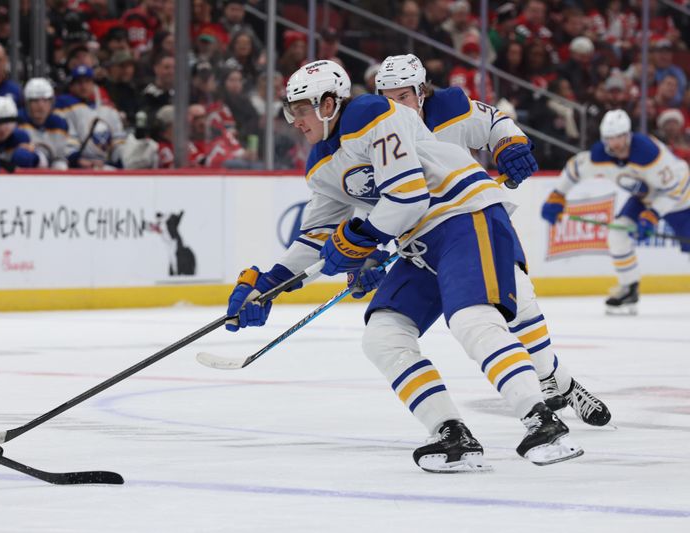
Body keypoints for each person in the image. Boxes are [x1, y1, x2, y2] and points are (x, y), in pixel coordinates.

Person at [225, 60, 585, 473]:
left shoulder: (369, 114)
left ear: (328, 104)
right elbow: (316, 236)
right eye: (291, 111)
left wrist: (361, 239)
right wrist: (269, 284)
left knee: (471, 320)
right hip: (420, 245)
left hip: (464, 216)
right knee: (382, 336)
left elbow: (409, 196)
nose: (295, 120)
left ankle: (541, 420)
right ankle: (451, 433)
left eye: (301, 109)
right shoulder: (322, 163)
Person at [374, 53, 611, 428]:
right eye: (386, 97)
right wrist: (367, 256)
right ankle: (559, 383)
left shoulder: (449, 108)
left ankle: (554, 378)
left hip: (471, 222)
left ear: (421, 93)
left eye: (401, 96)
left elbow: (497, 122)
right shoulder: (378, 133)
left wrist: (510, 146)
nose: (394, 106)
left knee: (519, 299)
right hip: (424, 244)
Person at [542, 109, 690, 315]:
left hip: (681, 199)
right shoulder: (600, 155)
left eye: (620, 137)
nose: (616, 144)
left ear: (628, 134)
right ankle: (629, 288)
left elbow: (676, 188)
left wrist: (653, 214)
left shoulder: (648, 153)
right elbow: (574, 168)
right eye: (611, 139)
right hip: (645, 198)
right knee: (618, 234)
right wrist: (558, 195)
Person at [19, 78, 71, 170]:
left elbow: (62, 154)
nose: (41, 105)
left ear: (52, 102)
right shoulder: (18, 121)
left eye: (45, 100)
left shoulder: (60, 124)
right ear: (27, 103)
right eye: (35, 101)